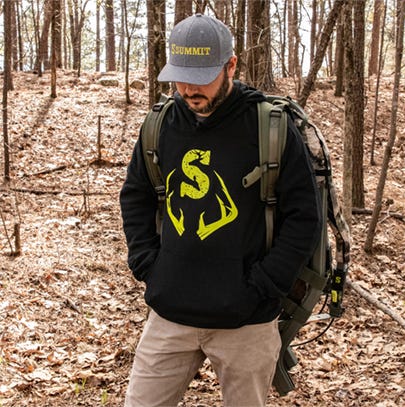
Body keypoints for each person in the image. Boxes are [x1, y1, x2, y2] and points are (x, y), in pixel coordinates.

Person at [120, 13, 322, 407]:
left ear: (231, 65)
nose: (189, 88)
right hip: (170, 316)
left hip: (246, 322)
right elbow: (136, 195)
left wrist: (262, 286)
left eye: (203, 76)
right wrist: (148, 265)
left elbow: (304, 217)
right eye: (180, 76)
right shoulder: (160, 125)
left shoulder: (270, 128)